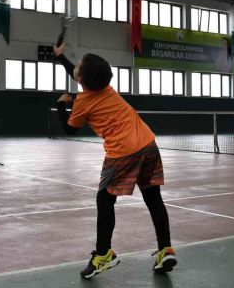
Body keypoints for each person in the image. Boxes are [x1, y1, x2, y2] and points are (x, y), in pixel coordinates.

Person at [53, 44, 176, 279]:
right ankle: (165, 249)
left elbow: (69, 129)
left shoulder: (83, 103)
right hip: (148, 143)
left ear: (82, 79)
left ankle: (103, 254)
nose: (76, 66)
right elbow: (78, 74)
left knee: (105, 200)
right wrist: (61, 57)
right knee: (153, 198)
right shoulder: (107, 89)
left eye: (79, 65)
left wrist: (61, 104)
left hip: (122, 152)